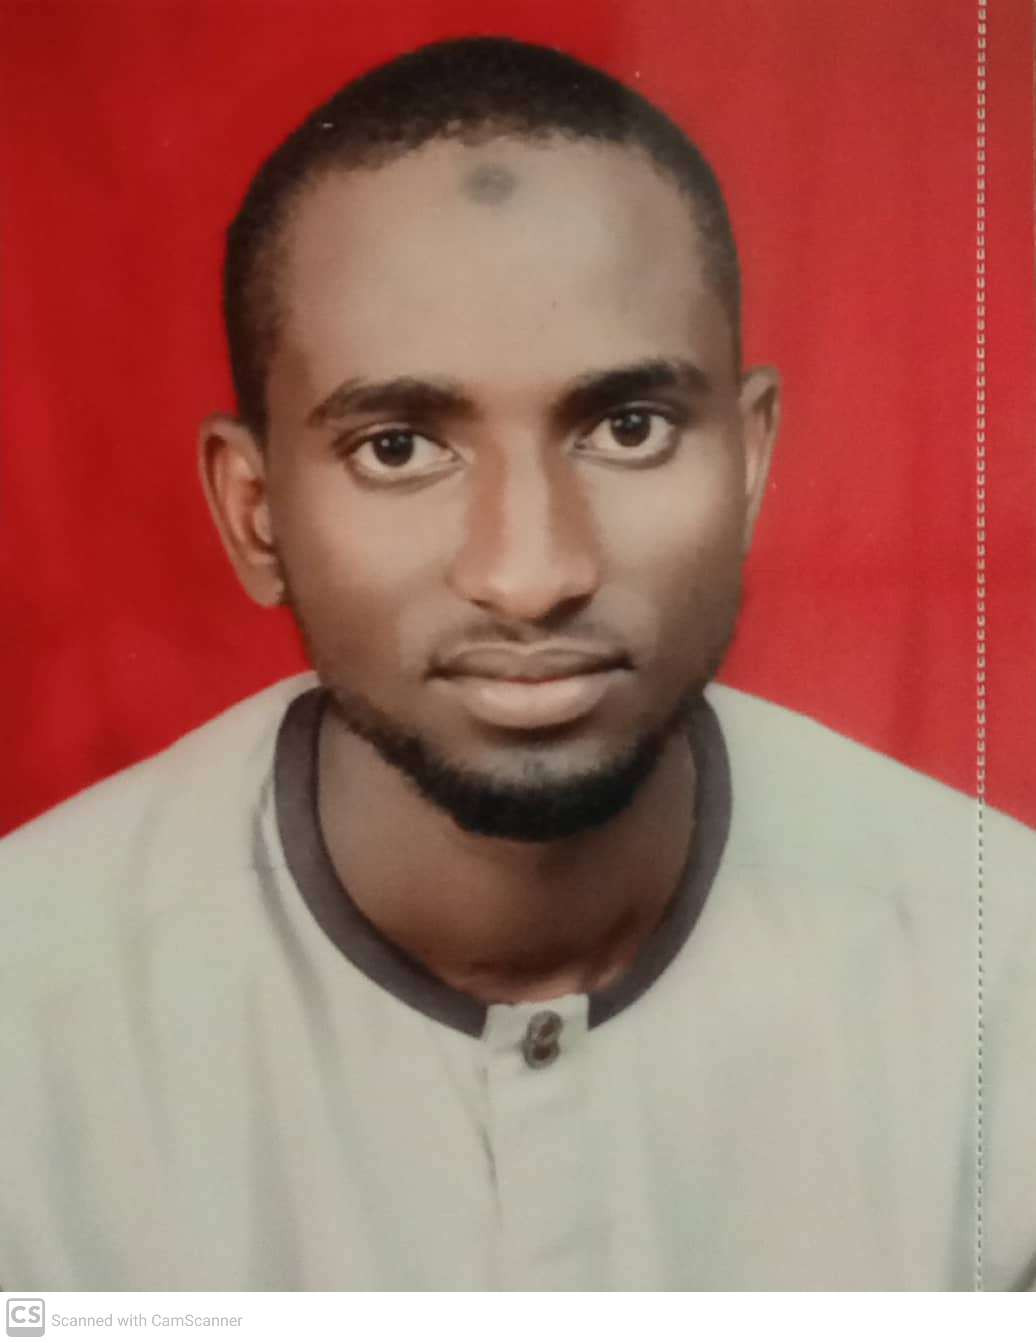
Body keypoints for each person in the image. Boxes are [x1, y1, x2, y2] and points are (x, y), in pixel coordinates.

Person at [1, 35, 1033, 1292]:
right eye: (397, 447)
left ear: (750, 460)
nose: (531, 571)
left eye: (627, 427)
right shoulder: (27, 1030)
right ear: (255, 513)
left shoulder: (1004, 988)